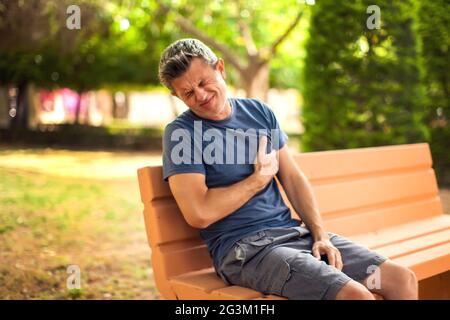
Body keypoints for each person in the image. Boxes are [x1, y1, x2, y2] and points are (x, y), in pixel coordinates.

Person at [158, 38, 418, 300]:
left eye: (203, 82)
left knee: (401, 279)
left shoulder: (259, 112)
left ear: (220, 69)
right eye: (188, 93)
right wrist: (258, 180)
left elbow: (292, 178)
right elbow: (199, 213)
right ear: (176, 96)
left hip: (295, 234)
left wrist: (320, 235)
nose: (200, 96)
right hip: (244, 251)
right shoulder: (182, 133)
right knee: (356, 296)